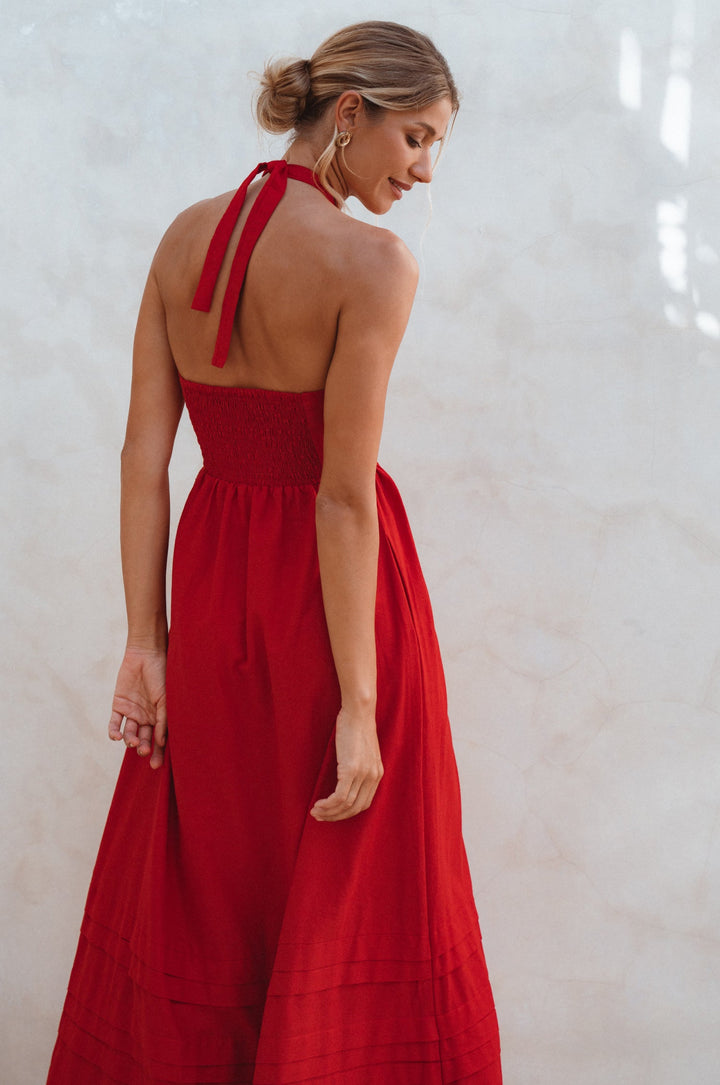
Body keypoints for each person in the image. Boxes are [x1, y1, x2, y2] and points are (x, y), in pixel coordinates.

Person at [47, 20, 502, 1084]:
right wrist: (360, 705)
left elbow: (142, 457)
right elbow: (341, 497)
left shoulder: (183, 236)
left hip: (212, 596)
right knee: (361, 878)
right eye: (416, 137)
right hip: (335, 609)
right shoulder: (373, 264)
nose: (424, 171)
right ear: (349, 112)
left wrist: (145, 644)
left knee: (215, 876)